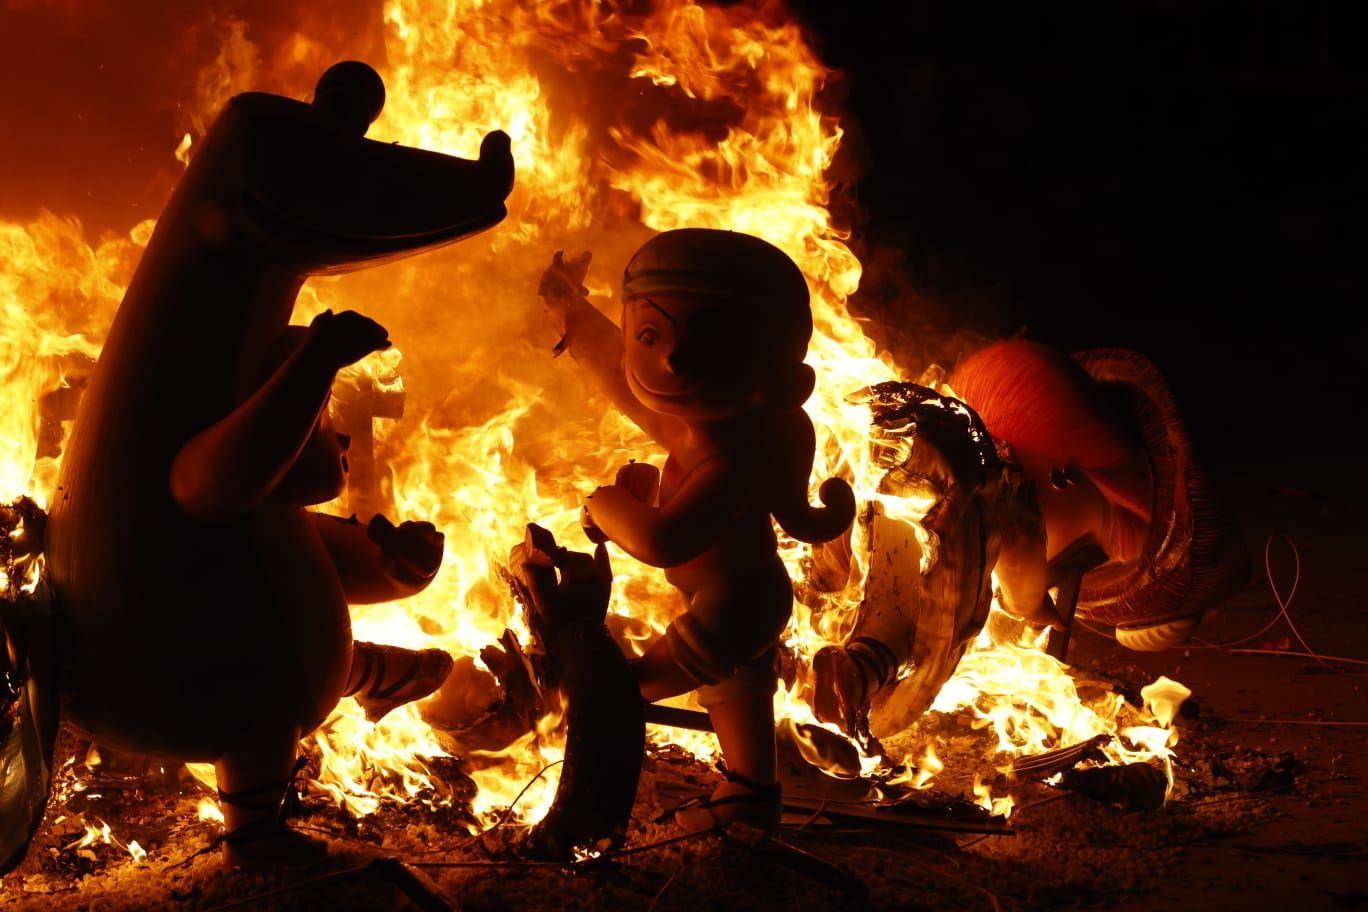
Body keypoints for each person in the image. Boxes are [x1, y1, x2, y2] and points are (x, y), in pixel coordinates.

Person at [539, 228, 855, 831]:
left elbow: (664, 541)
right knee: (737, 694)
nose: (673, 360)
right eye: (650, 335)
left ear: (780, 375)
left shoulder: (732, 458)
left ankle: (586, 817)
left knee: (620, 694)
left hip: (732, 606)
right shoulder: (701, 430)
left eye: (711, 343)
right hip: (738, 600)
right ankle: (750, 796)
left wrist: (605, 503)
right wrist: (569, 310)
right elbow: (619, 377)